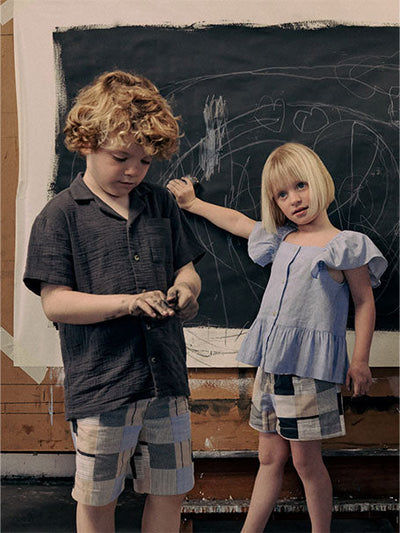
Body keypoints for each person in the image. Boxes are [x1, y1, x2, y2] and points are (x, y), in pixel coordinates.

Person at [167, 142, 387, 533]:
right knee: (268, 458)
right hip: (271, 365)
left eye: (301, 186)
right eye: (282, 195)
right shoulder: (280, 239)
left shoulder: (344, 245)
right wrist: (192, 204)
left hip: (308, 370)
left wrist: (360, 360)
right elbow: (237, 223)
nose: (294, 199)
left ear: (320, 181)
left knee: (306, 462)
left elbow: (364, 302)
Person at [24, 70, 204, 533]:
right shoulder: (59, 215)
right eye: (121, 157)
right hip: (102, 385)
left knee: (170, 490)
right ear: (87, 142)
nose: (133, 171)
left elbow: (187, 269)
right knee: (98, 496)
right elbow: (55, 304)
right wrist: (128, 303)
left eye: (145, 162)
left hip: (166, 380)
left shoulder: (160, 203)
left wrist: (187, 290)